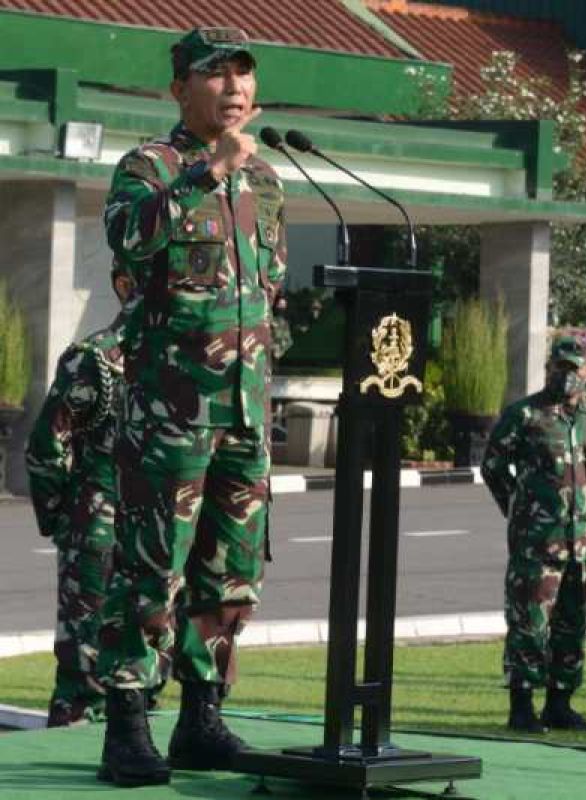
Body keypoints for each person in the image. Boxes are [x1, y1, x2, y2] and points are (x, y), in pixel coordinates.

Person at [94, 27, 286, 787]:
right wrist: (206, 173)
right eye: (216, 75)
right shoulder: (150, 166)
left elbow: (267, 290)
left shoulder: (267, 180)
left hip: (244, 413)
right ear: (179, 88)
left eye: (243, 73)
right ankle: (127, 723)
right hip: (170, 412)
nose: (233, 87)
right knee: (150, 571)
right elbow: (128, 242)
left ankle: (202, 717)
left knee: (230, 575)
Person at [26, 265, 137, 727]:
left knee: (86, 671)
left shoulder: (93, 356)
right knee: (130, 666)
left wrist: (58, 515)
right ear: (125, 283)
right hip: (148, 533)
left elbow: (46, 449)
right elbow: (46, 446)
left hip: (95, 526)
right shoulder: (177, 359)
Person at [482, 334, 586, 735]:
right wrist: (519, 510)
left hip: (581, 545)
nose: (567, 377)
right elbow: (493, 468)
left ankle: (560, 704)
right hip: (538, 545)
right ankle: (522, 707)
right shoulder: (524, 415)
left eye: (575, 369)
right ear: (549, 368)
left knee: (574, 624)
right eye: (560, 368)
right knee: (530, 624)